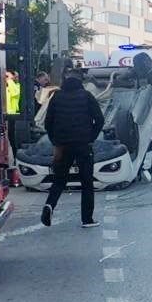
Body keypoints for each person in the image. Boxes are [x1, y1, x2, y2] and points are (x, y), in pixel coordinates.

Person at [41, 73, 105, 228]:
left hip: (63, 146)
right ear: (80, 84)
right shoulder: (87, 96)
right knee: (86, 182)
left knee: (60, 180)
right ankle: (87, 219)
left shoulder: (56, 97)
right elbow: (100, 119)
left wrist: (55, 141)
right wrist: (91, 136)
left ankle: (49, 205)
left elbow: (48, 122)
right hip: (83, 144)